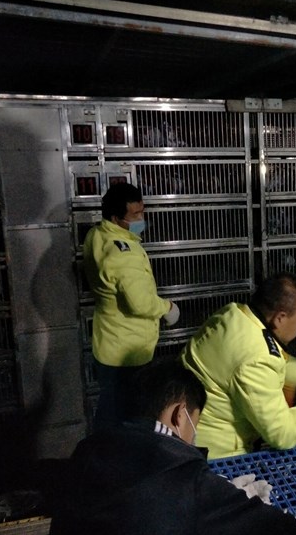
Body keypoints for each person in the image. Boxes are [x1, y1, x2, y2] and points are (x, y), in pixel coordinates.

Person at [49, 358, 296, 535]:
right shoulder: (186, 479)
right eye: (196, 423)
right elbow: (284, 529)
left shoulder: (87, 450)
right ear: (180, 415)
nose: (193, 436)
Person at [182, 273, 296, 459]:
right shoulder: (256, 359)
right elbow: (282, 434)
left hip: (188, 432)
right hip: (217, 456)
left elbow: (267, 362)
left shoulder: (235, 315)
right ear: (280, 318)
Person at [83, 182, 180, 430]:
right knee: (127, 419)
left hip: (108, 342)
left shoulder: (97, 235)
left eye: (142, 212)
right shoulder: (124, 254)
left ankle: (105, 448)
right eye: (135, 215)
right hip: (129, 351)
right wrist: (168, 308)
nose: (141, 219)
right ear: (116, 218)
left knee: (111, 410)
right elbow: (140, 302)